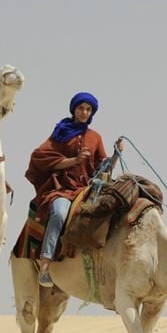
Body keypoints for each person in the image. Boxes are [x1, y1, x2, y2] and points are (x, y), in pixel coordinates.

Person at [25, 92, 123, 287]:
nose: (84, 112)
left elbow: (104, 167)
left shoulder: (95, 137)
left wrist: (116, 154)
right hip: (63, 188)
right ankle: (45, 263)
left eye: (88, 109)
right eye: (81, 108)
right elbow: (40, 157)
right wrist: (74, 161)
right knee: (60, 213)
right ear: (74, 110)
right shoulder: (61, 132)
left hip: (86, 189)